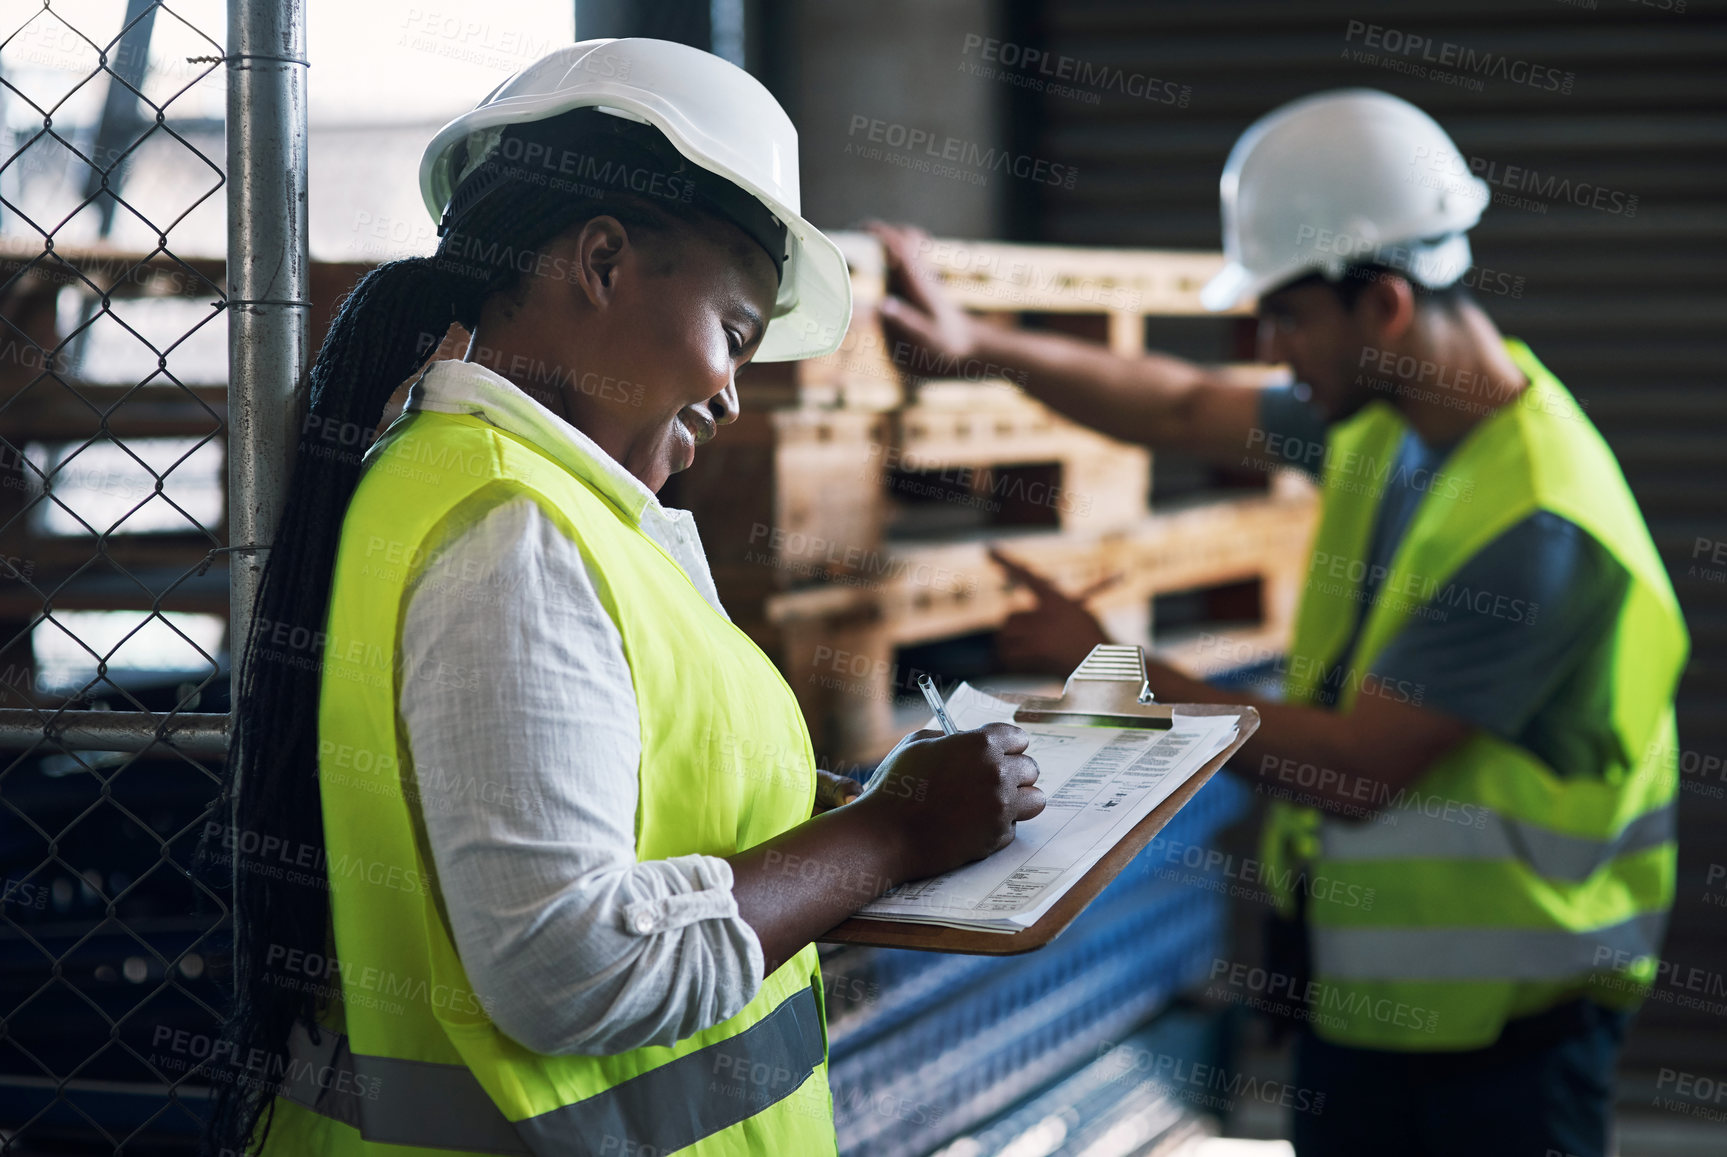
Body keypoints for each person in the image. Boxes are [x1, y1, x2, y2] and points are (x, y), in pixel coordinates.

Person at [204, 39, 1044, 1157]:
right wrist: (892, 832)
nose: (733, 395)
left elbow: (633, 789)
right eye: (734, 337)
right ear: (600, 262)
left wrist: (833, 809)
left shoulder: (539, 505)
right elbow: (574, 965)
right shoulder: (514, 534)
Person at [873, 89, 1687, 1157]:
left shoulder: (1539, 520)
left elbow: (1357, 770)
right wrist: (970, 343)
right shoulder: (1391, 422)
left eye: (1287, 316)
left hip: (1502, 1040)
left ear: (1383, 307)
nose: (1269, 345)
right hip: (1370, 1000)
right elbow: (1172, 403)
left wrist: (1112, 668)